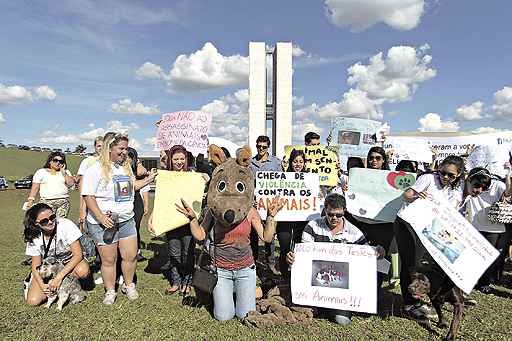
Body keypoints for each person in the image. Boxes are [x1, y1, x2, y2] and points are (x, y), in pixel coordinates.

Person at [176, 198, 283, 321]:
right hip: (221, 271)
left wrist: (270, 216)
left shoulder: (250, 211)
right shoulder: (213, 212)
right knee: (223, 316)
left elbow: (267, 237)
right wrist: (193, 219)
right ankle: (231, 293)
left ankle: (255, 290)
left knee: (245, 315)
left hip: (245, 270)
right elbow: (200, 235)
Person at [82, 132, 156, 305]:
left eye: (126, 149)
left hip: (126, 220)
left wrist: (149, 179)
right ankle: (110, 290)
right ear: (109, 148)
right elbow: (88, 195)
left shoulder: (126, 167)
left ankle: (129, 285)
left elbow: (133, 187)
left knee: (130, 257)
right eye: (121, 148)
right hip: (104, 223)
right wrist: (100, 217)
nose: (124, 152)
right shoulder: (95, 169)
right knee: (109, 260)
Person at [286, 193, 383, 325]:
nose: (334, 218)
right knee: (301, 310)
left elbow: (366, 257)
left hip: (341, 289)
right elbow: (304, 256)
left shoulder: (355, 233)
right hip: (316, 282)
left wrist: (377, 252)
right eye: (330, 214)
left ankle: (330, 308)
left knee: (342, 321)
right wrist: (293, 258)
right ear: (325, 210)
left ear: (344, 211)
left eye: (339, 215)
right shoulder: (312, 226)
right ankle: (320, 306)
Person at [395, 155, 465, 320]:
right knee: (411, 264)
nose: (445, 177)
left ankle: (420, 297)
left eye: (450, 175)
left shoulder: (457, 187)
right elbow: (406, 195)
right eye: (443, 172)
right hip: (408, 225)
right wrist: (417, 196)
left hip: (430, 228)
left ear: (459, 175)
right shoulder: (428, 178)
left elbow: (452, 209)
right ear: (439, 168)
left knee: (423, 265)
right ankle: (410, 304)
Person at [345, 147, 394, 288]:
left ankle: (376, 292)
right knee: (359, 256)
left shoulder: (391, 177)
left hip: (383, 225)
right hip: (361, 223)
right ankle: (359, 289)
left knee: (379, 258)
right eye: (371, 157)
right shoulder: (359, 176)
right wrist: (348, 190)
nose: (374, 160)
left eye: (378, 158)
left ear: (383, 160)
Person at [24, 203, 90, 306]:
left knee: (82, 271)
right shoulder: (33, 235)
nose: (50, 222)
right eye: (44, 221)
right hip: (49, 267)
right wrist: (43, 286)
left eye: (52, 217)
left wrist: (58, 278)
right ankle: (40, 282)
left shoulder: (65, 224)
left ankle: (67, 284)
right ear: (36, 223)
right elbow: (35, 265)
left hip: (70, 260)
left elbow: (78, 255)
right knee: (33, 301)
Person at [153, 145, 198, 295]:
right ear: (171, 160)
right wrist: (153, 217)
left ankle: (187, 281)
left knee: (188, 253)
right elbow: (160, 199)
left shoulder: (192, 174)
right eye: (176, 159)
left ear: (186, 160)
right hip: (170, 221)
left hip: (187, 222)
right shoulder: (166, 176)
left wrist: (205, 177)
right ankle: (176, 282)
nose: (179, 162)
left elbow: (199, 190)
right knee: (174, 254)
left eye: (182, 159)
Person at [462, 167, 512, 292]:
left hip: (493, 228)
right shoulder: (465, 186)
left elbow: (508, 194)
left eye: (484, 187)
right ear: (469, 180)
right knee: (472, 256)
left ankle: (484, 282)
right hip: (473, 226)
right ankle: (471, 281)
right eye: (476, 186)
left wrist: (508, 177)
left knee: (487, 257)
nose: (479, 190)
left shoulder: (498, 185)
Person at [249, 135, 281, 274]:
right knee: (253, 235)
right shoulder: (250, 163)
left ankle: (271, 263)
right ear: (256, 146)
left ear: (268, 147)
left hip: (269, 205)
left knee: (270, 235)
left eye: (264, 147)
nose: (261, 149)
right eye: (259, 146)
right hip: (255, 204)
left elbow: (282, 182)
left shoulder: (276, 163)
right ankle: (253, 262)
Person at [276, 149, 309, 281]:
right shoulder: (282, 177)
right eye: (295, 161)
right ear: (291, 162)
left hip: (302, 222)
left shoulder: (310, 179)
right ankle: (285, 277)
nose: (298, 164)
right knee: (284, 249)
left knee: (300, 249)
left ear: (304, 163)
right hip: (284, 222)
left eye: (301, 161)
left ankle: (298, 278)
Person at [26, 151, 75, 217]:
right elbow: (35, 188)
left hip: (63, 202)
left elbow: (71, 184)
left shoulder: (66, 172)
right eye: (55, 160)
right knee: (48, 222)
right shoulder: (41, 172)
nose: (58, 163)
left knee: (60, 223)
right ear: (50, 161)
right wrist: (30, 200)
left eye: (61, 161)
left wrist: (63, 172)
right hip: (47, 202)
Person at [127, 147, 151, 262]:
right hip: (125, 202)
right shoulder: (118, 169)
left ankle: (137, 252)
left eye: (130, 157)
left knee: (135, 227)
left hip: (136, 202)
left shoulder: (137, 170)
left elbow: (145, 189)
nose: (127, 159)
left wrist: (146, 205)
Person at [77, 136, 104, 229]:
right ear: (95, 147)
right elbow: (82, 184)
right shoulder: (88, 161)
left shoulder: (111, 161)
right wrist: (82, 207)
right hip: (90, 199)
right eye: (99, 146)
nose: (101, 148)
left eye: (103, 146)